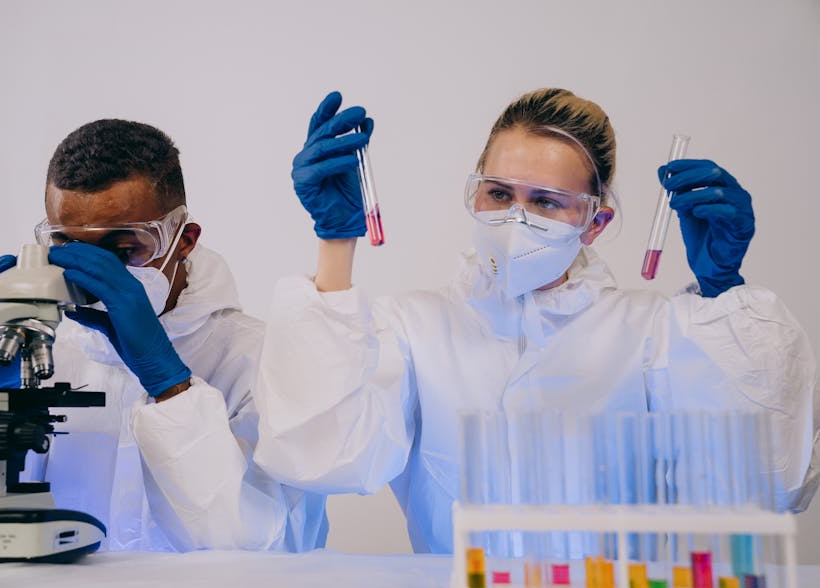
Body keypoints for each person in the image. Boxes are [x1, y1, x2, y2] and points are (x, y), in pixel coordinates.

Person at [253, 89, 818, 553]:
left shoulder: (651, 332)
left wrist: (724, 294)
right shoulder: (417, 325)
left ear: (595, 222)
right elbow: (319, 455)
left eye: (547, 202)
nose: (516, 218)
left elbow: (767, 479)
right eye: (499, 193)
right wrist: (336, 244)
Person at [0, 119, 326, 552]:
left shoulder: (259, 360)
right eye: (69, 247)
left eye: (123, 251)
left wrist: (169, 383)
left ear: (183, 240)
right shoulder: (41, 348)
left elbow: (271, 549)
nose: (96, 275)